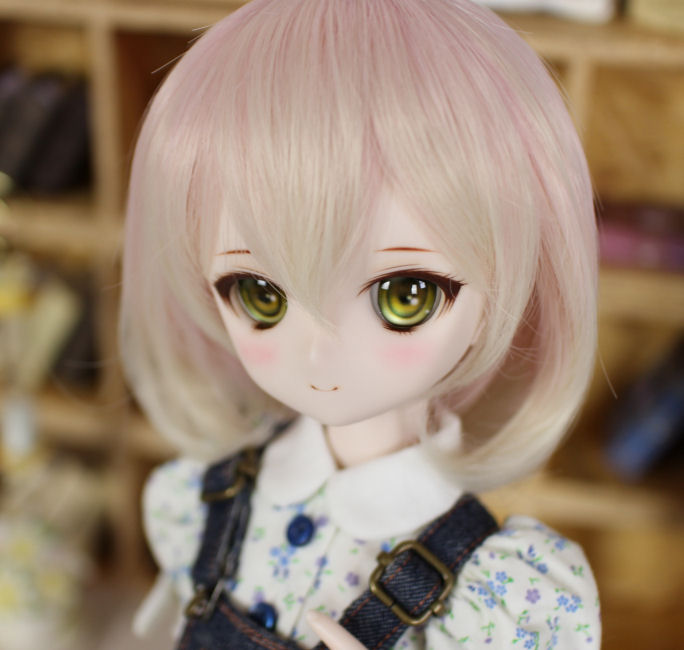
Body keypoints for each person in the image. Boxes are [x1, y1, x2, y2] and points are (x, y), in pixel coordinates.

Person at [120, 0, 601, 647]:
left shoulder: (500, 593)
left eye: (404, 296)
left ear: (510, 285)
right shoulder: (200, 502)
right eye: (260, 295)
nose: (320, 354)